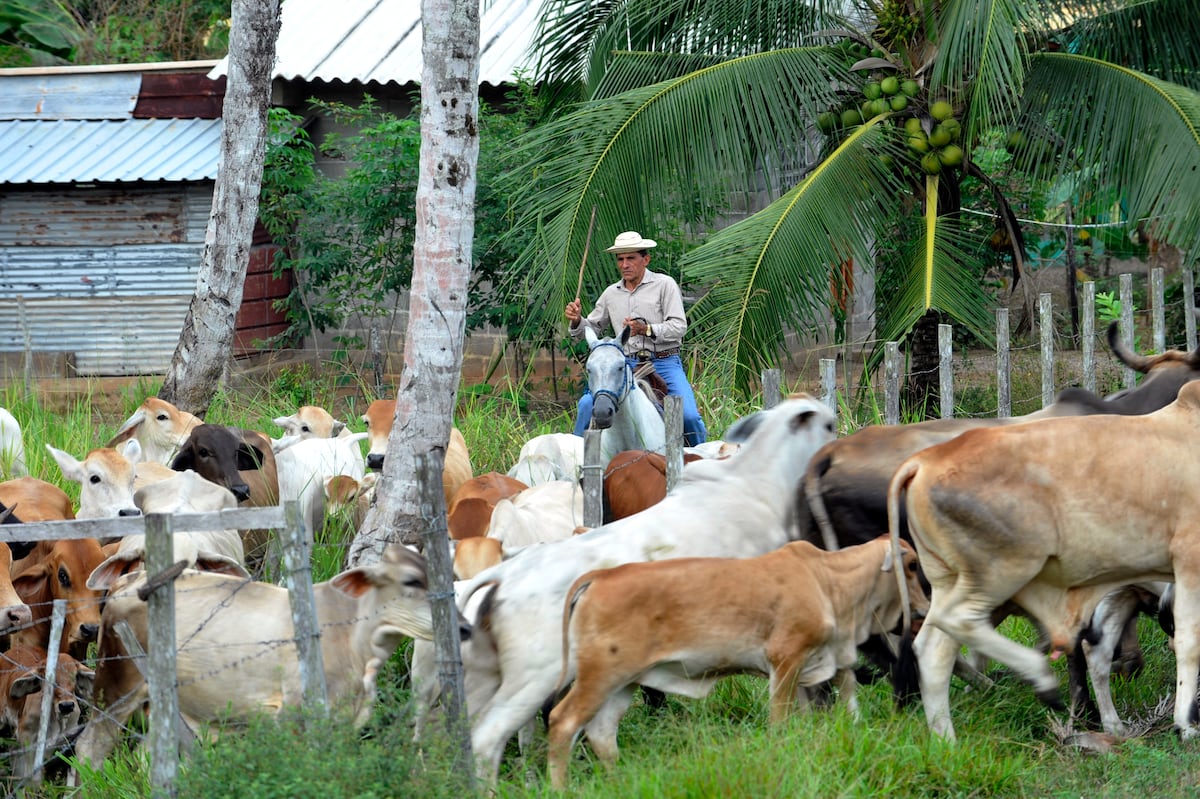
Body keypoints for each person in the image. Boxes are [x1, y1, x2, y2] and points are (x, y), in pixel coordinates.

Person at [565, 230, 708, 446]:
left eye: (631, 258)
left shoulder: (665, 285)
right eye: (620, 259)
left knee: (688, 416)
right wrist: (577, 321)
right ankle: (577, 463)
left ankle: (698, 465)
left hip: (664, 362)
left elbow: (679, 327)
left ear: (646, 259)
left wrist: (646, 329)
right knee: (586, 406)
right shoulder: (610, 293)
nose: (624, 264)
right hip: (625, 365)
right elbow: (591, 327)